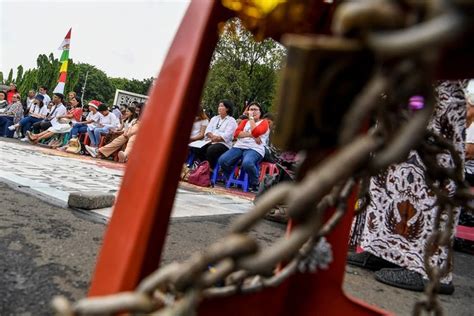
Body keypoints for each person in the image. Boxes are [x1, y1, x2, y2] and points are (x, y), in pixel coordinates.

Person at [348, 81, 467, 295]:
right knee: (387, 175)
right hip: (407, 91)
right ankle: (382, 250)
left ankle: (431, 271)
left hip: (439, 91)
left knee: (429, 181)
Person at [218, 102, 269, 192]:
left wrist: (251, 119)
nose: (253, 111)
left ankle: (255, 183)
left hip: (255, 148)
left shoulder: (264, 122)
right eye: (251, 109)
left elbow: (256, 132)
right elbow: (236, 134)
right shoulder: (245, 122)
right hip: (239, 146)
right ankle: (230, 178)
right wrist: (251, 135)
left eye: (255, 109)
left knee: (247, 163)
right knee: (222, 160)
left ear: (260, 112)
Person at [191, 100, 237, 168]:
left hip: (223, 144)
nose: (219, 108)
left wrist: (216, 138)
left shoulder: (231, 120)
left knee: (211, 149)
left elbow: (228, 135)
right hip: (210, 141)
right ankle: (205, 165)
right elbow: (208, 130)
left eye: (221, 106)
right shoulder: (214, 118)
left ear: (227, 108)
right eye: (219, 106)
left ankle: (210, 168)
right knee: (196, 148)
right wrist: (212, 137)